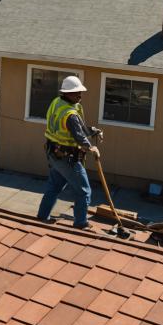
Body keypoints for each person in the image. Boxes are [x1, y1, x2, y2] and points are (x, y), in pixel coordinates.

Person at [36, 75, 102, 229]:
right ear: (67, 93)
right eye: (75, 93)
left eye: (80, 92)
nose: (79, 96)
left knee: (54, 187)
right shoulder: (69, 113)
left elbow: (79, 127)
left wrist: (93, 131)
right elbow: (78, 135)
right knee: (84, 191)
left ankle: (42, 216)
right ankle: (80, 223)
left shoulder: (58, 103)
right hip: (67, 158)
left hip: (54, 154)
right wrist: (91, 147)